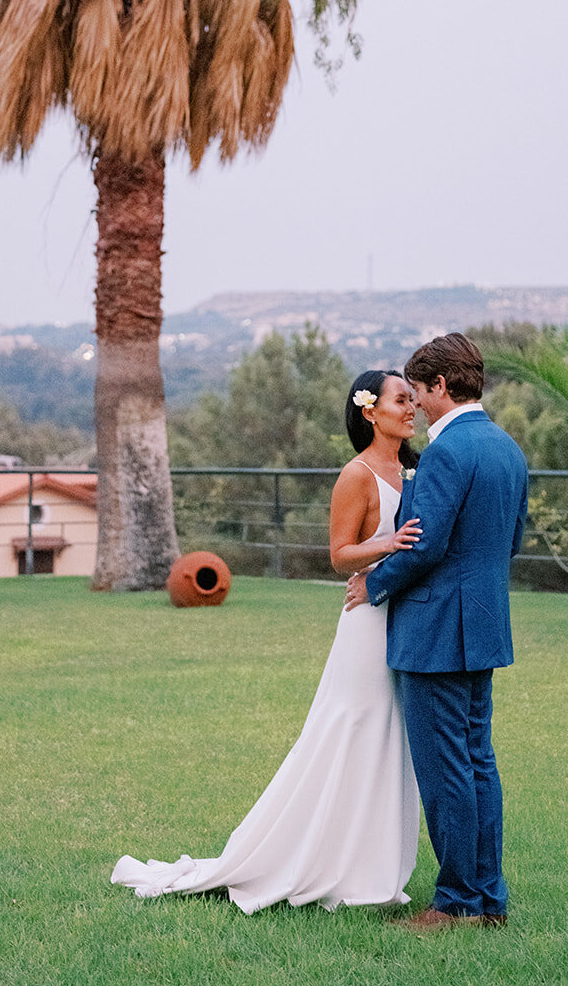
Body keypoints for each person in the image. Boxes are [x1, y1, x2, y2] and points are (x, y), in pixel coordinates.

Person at [111, 369, 423, 913]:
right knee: (353, 727)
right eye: (401, 400)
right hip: (367, 622)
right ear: (370, 411)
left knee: (390, 735)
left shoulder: (416, 469)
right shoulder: (357, 474)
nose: (411, 409)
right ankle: (309, 856)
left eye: (413, 401)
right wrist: (389, 544)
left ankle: (371, 862)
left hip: (407, 615)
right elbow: (338, 554)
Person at [346, 332, 529, 929]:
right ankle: (488, 898)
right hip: (482, 626)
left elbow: (424, 545)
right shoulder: (507, 448)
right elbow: (511, 543)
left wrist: (373, 584)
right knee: (478, 763)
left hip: (434, 632)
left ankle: (455, 903)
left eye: (419, 392)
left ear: (441, 386)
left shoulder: (448, 451)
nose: (417, 405)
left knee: (448, 769)